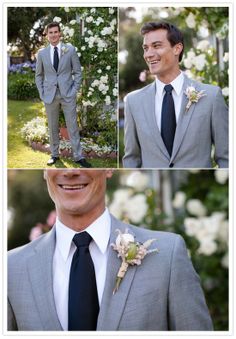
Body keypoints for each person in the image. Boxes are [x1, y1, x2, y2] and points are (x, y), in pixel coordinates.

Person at [8, 169, 213, 331]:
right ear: (45, 171)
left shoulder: (167, 256)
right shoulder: (10, 269)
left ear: (108, 168)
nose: (69, 172)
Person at [122, 22, 228, 169]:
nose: (148, 54)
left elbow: (227, 158)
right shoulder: (133, 101)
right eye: (146, 48)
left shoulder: (211, 96)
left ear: (177, 48)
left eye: (157, 46)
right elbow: (131, 160)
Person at [35, 22, 91, 167]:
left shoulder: (69, 50)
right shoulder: (42, 53)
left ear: (60, 33)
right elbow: (39, 75)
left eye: (55, 32)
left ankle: (78, 156)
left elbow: (78, 72)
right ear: (47, 36)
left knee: (72, 125)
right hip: (50, 95)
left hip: (68, 94)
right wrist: (42, 93)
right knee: (52, 127)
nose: (53, 35)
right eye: (50, 33)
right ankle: (54, 155)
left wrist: (74, 91)